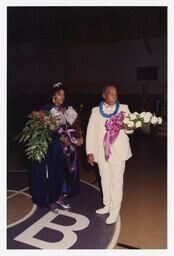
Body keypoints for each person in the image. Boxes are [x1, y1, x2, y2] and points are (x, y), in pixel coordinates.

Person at [31, 82, 82, 213]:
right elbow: (45, 128)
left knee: (62, 173)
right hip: (52, 148)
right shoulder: (47, 109)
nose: (62, 97)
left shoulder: (65, 110)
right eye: (59, 94)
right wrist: (58, 137)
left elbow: (71, 128)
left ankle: (59, 196)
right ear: (53, 96)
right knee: (52, 173)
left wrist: (77, 136)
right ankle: (51, 200)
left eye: (64, 95)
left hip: (62, 148)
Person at [86, 84, 133, 224]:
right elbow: (91, 133)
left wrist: (129, 126)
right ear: (104, 95)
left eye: (116, 93)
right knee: (104, 179)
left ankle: (114, 211)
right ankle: (107, 205)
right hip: (102, 152)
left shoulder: (123, 108)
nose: (114, 95)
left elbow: (130, 130)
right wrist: (89, 152)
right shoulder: (95, 111)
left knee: (116, 182)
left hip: (118, 153)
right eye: (111, 93)